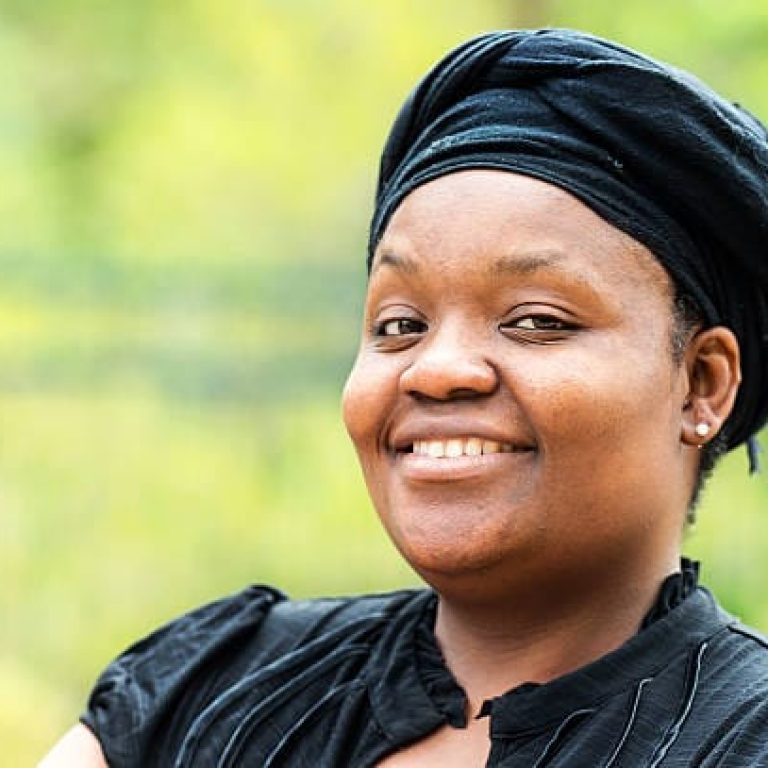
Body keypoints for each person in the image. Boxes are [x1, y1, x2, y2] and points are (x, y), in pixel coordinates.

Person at [41, 28, 768, 767]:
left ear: (702, 383)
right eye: (400, 324)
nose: (436, 367)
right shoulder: (208, 691)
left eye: (537, 321)